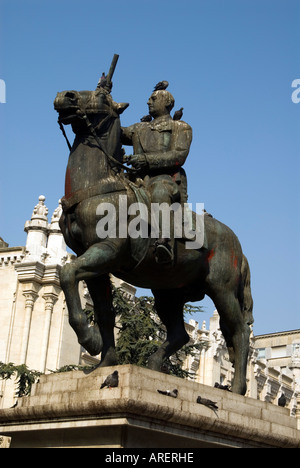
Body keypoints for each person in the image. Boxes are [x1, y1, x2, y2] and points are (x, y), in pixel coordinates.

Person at [121, 89, 192, 263]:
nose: (148, 102)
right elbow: (118, 133)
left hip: (163, 179)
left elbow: (179, 156)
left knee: (160, 192)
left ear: (167, 103)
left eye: (153, 99)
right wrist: (103, 104)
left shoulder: (180, 127)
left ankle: (164, 242)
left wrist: (145, 160)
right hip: (136, 180)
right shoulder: (139, 128)